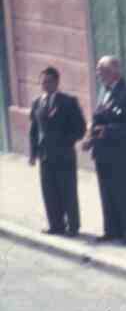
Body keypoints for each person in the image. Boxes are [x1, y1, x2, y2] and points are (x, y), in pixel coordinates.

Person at [83, 56, 126, 244]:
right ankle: (112, 229)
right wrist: (89, 137)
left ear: (116, 71)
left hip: (120, 153)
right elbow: (97, 119)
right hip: (102, 153)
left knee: (125, 192)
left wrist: (106, 131)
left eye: (104, 70)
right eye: (99, 71)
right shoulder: (104, 92)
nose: (100, 74)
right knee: (107, 191)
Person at [28, 66, 86, 236]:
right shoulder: (37, 103)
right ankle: (56, 225)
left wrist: (66, 143)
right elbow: (33, 130)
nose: (44, 85)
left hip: (64, 155)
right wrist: (33, 153)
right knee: (49, 191)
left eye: (48, 82)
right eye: (42, 82)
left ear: (56, 82)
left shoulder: (68, 102)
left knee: (67, 191)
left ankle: (73, 226)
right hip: (45, 155)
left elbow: (80, 128)